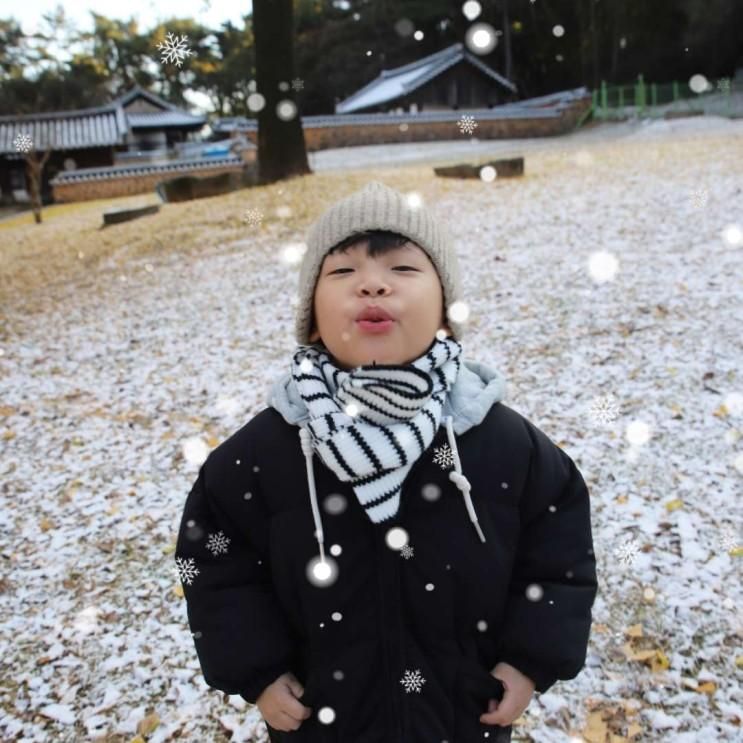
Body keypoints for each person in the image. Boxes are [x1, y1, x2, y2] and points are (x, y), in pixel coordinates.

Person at [174, 181, 598, 742]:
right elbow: (214, 560)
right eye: (344, 273)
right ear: (314, 319)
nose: (373, 283)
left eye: (402, 269)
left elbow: (558, 552)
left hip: (460, 718)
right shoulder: (271, 450)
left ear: (444, 310)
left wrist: (529, 660)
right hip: (324, 722)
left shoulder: (497, 441)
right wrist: (259, 670)